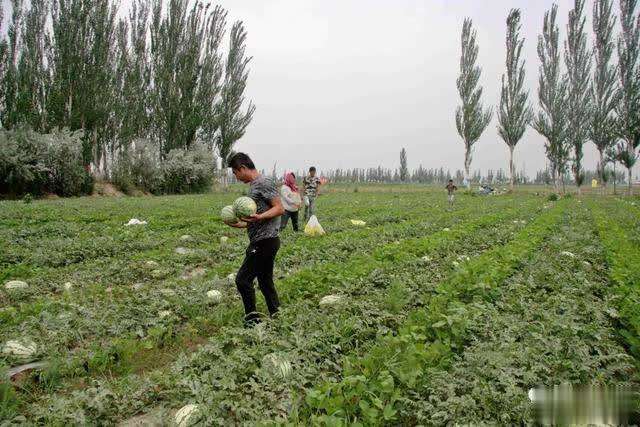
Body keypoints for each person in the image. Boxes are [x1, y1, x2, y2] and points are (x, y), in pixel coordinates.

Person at [226, 153, 285, 326]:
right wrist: (239, 224)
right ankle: (277, 315)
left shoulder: (263, 182)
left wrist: (259, 218)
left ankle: (252, 321)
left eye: (235, 173)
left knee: (242, 280)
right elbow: (257, 217)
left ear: (242, 168)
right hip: (265, 240)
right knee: (265, 281)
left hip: (265, 241)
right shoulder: (254, 186)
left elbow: (279, 208)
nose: (236, 177)